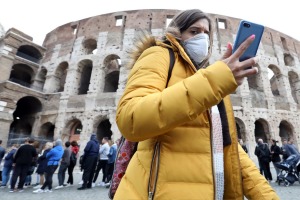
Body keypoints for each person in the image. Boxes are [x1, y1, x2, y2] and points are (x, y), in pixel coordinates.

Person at [114, 9, 279, 199]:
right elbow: (131, 119)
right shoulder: (158, 55)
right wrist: (217, 79)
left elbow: (229, 152)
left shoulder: (210, 79)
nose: (203, 38)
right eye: (194, 31)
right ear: (178, 32)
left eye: (206, 33)